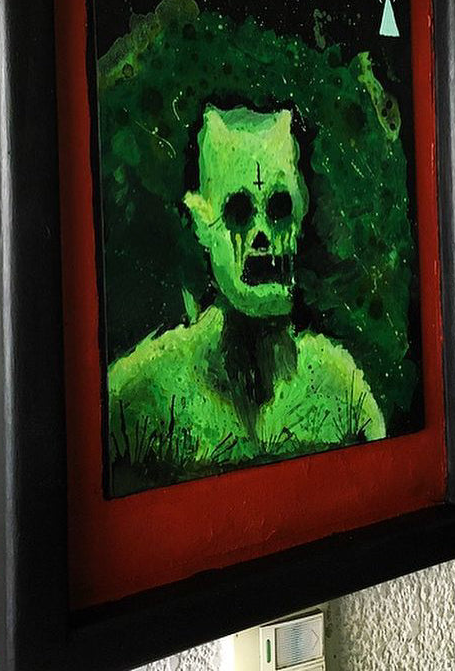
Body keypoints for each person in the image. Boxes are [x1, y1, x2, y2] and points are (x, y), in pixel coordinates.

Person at [107, 103, 384, 495]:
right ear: (201, 224)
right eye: (238, 211)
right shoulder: (139, 398)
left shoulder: (343, 391)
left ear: (301, 212)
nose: (262, 235)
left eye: (279, 208)